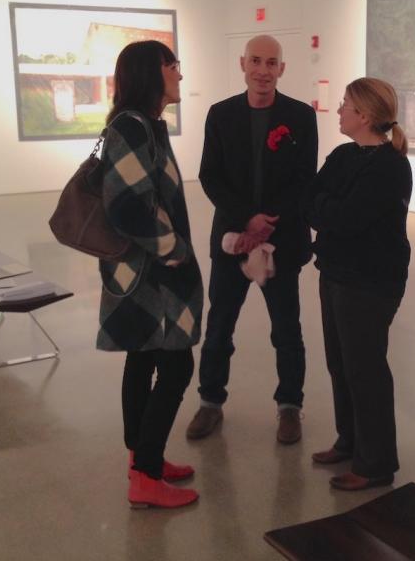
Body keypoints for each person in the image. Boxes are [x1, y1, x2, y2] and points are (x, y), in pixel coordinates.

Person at [187, 35, 318, 444]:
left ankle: (290, 407)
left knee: (286, 330)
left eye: (271, 62)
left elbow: (304, 179)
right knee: (220, 325)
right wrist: (248, 218)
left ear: (282, 68)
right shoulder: (220, 114)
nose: (263, 70)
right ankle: (210, 402)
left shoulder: (300, 115)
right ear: (243, 64)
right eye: (256, 61)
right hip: (232, 238)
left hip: (282, 237)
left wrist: (268, 222)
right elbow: (210, 175)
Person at [97, 40, 204, 509]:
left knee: (143, 358)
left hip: (145, 273)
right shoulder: (133, 128)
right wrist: (174, 250)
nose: (180, 73)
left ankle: (145, 459)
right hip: (150, 275)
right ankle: (145, 471)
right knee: (177, 364)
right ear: (151, 72)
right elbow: (127, 206)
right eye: (172, 65)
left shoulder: (146, 125)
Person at [305, 77, 412, 491]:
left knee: (365, 369)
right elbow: (310, 199)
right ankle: (349, 440)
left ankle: (376, 463)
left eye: (345, 104)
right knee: (341, 363)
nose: (339, 109)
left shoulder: (388, 166)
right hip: (335, 272)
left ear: (364, 115)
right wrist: (328, 210)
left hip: (370, 281)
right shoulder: (344, 155)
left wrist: (326, 210)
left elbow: (345, 219)